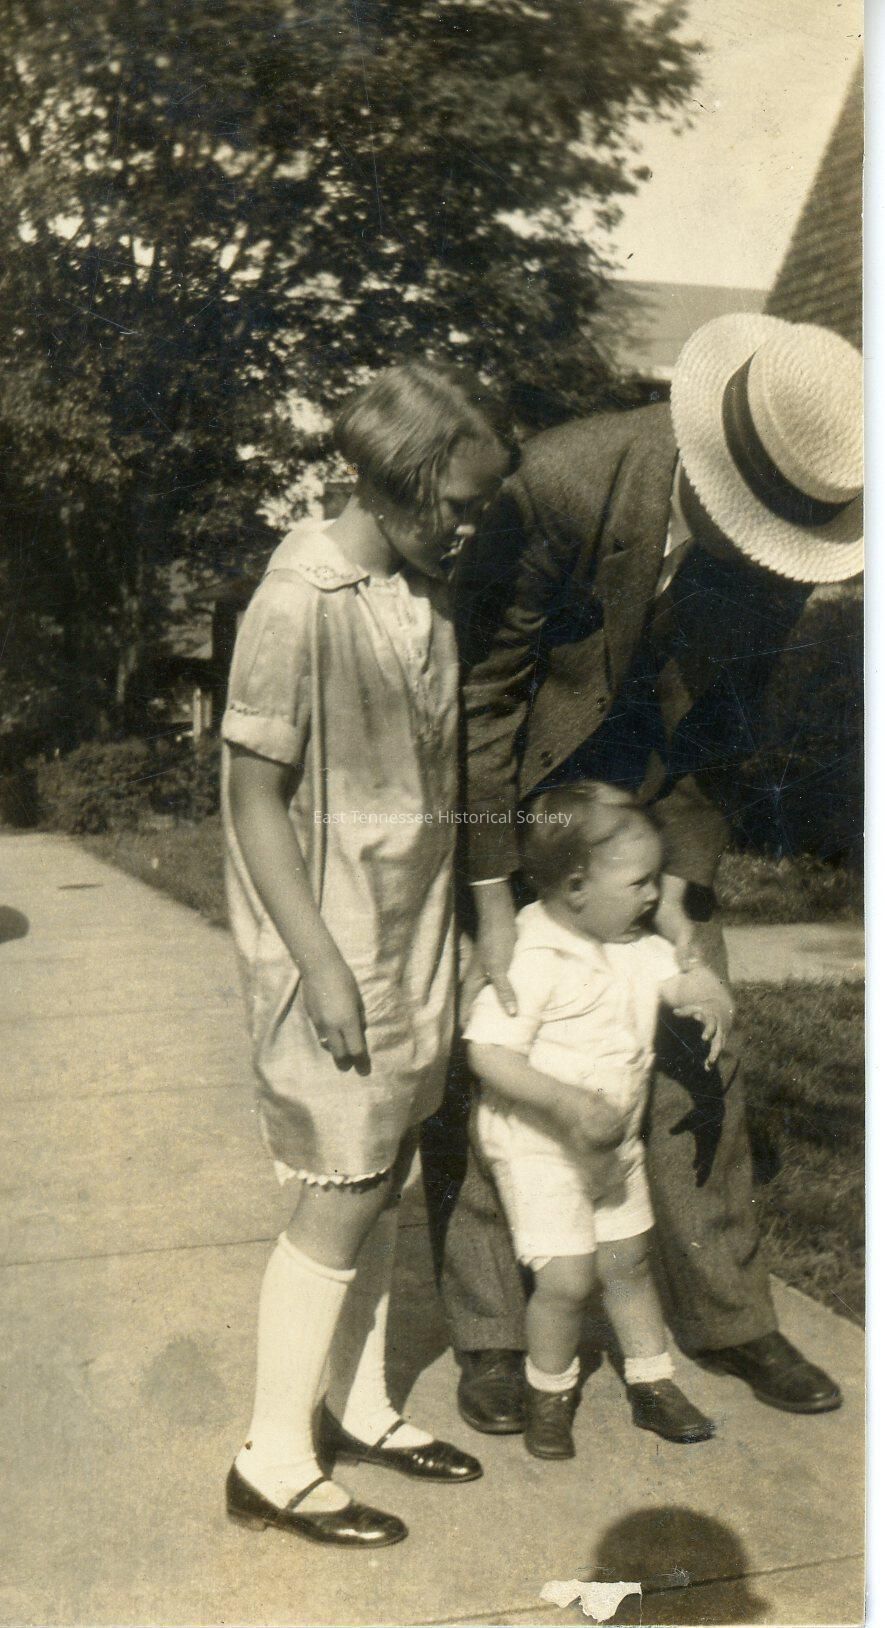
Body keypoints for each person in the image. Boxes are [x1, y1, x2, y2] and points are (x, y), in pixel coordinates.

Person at [422, 313, 862, 1432]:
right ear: (711, 470)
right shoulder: (564, 484)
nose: (768, 555)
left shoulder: (783, 540)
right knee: (508, 1058)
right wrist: (489, 893)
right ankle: (494, 1329)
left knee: (701, 1052)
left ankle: (728, 1311)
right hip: (522, 798)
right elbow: (483, 697)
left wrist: (683, 896)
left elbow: (723, 726)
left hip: (652, 811)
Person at [221, 359, 516, 1547]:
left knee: (384, 1170)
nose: (471, 525)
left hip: (411, 933)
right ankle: (272, 1457)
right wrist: (324, 965)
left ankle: (359, 1404)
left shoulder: (421, 591)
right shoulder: (300, 600)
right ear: (399, 480)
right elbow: (251, 797)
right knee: (338, 1189)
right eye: (461, 503)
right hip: (333, 941)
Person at [464, 782, 729, 1458]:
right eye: (640, 883)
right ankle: (548, 1392)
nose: (653, 896)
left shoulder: (633, 943)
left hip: (611, 1141)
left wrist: (703, 988)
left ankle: (652, 1379)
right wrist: (562, 1102)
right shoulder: (530, 953)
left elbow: (677, 977)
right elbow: (488, 1052)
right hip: (540, 1145)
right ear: (577, 886)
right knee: (566, 1280)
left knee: (627, 1262)